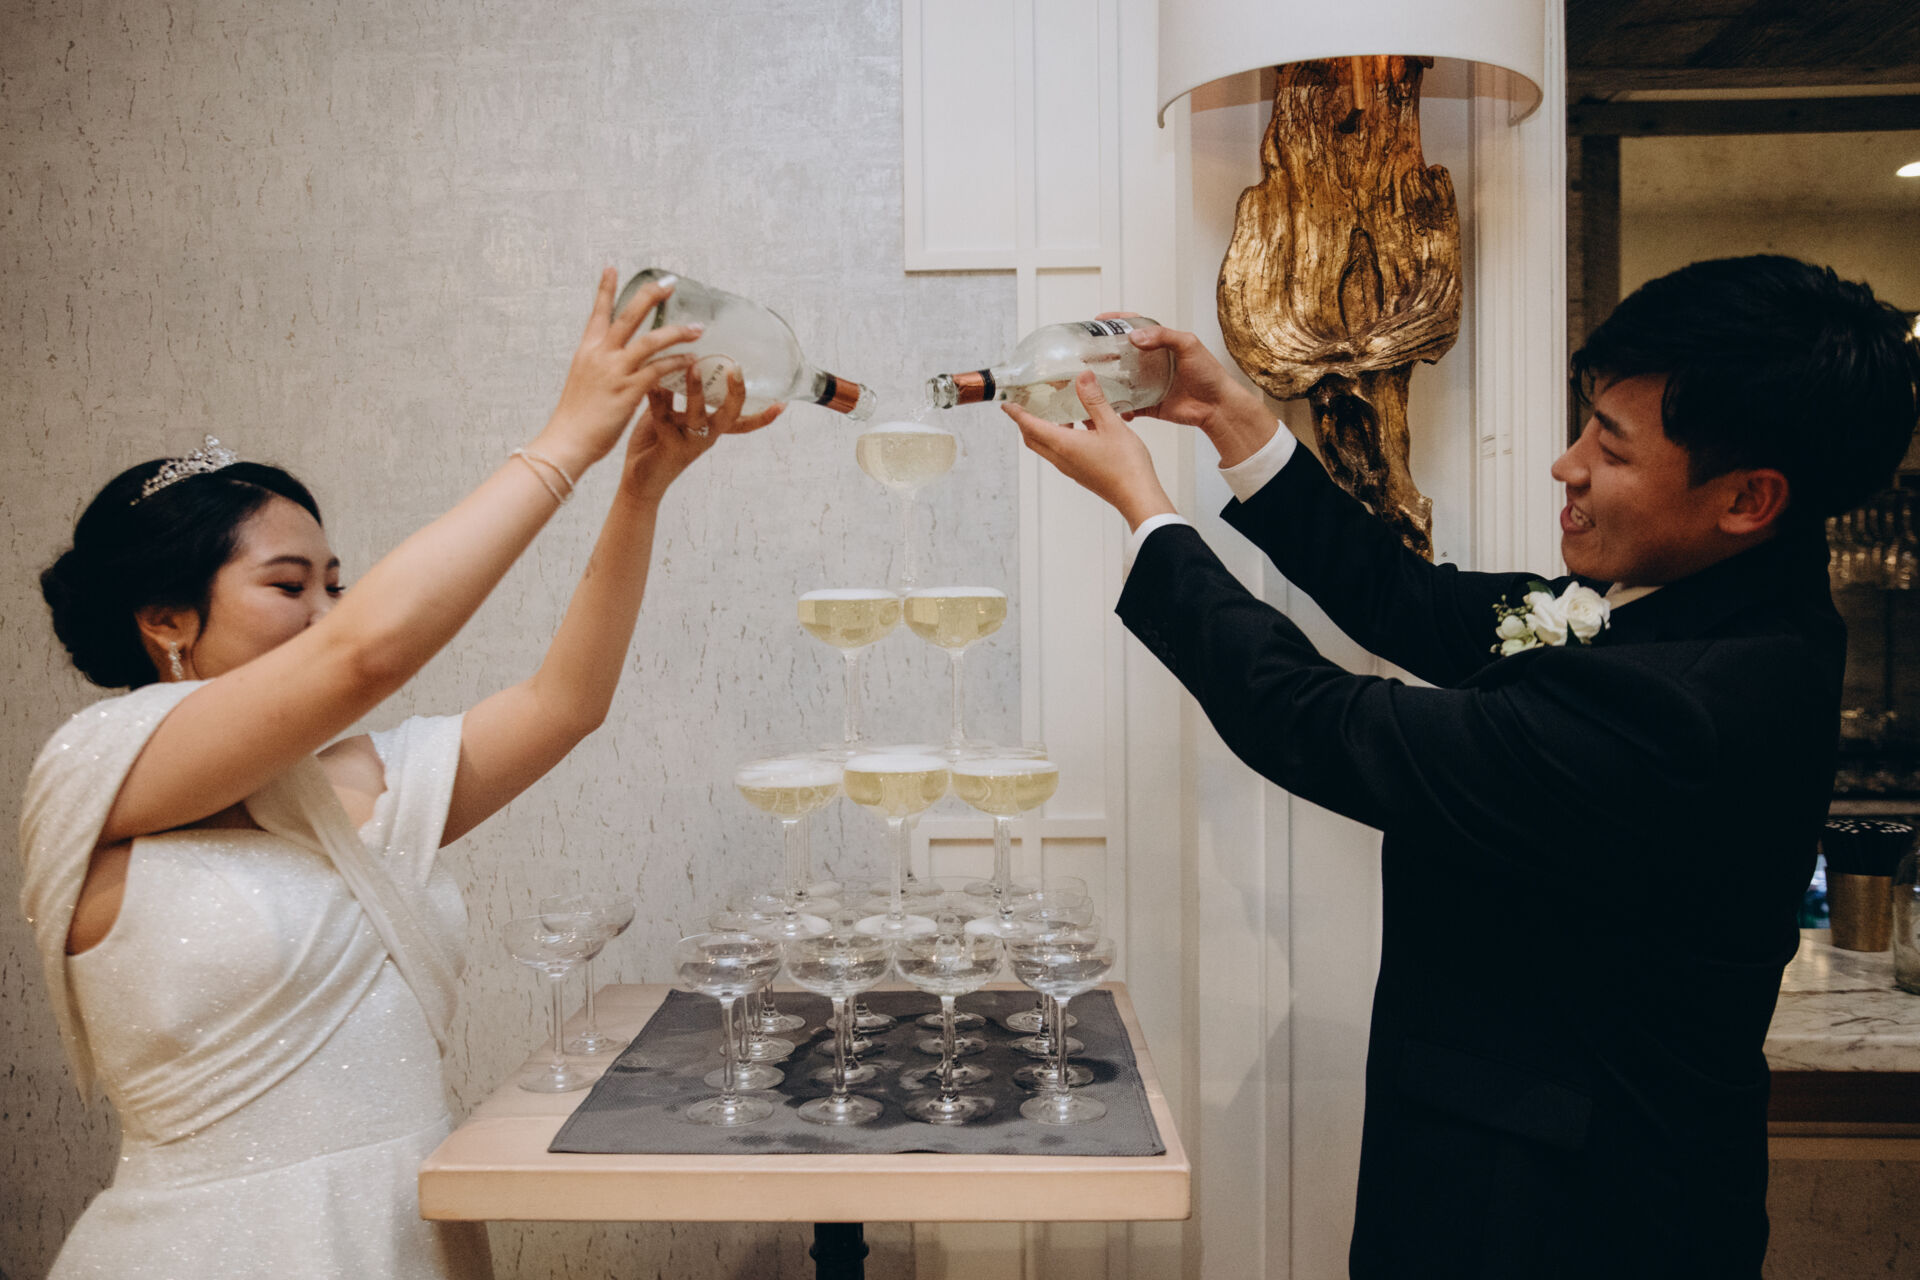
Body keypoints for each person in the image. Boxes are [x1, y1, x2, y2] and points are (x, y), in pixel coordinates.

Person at [1005, 255, 1920, 1278]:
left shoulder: (1691, 704)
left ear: (1748, 497)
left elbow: (1317, 722)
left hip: (1565, 1215)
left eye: (1610, 446)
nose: (1566, 466)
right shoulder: (1701, 602)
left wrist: (1146, 512)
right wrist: (1231, 415)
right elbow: (1410, 603)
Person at [20, 270, 781, 1280]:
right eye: (288, 585)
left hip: (404, 1233)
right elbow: (366, 656)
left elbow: (565, 703)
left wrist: (640, 484)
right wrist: (568, 437)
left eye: (337, 585)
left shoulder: (363, 776)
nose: (328, 612)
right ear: (165, 618)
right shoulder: (96, 766)